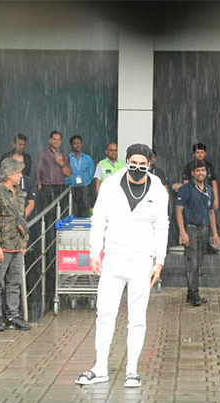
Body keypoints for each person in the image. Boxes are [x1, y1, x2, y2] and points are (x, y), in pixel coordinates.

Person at [75, 143, 168, 389]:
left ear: (150, 164)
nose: (137, 169)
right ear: (126, 162)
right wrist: (95, 252)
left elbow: (162, 226)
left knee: (137, 318)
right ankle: (100, 366)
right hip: (113, 257)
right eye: (133, 164)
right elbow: (98, 220)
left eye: (143, 165)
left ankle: (132, 370)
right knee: (105, 314)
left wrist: (160, 261)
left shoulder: (158, 191)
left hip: (141, 260)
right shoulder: (110, 185)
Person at [0, 158, 32, 332]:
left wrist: (24, 242)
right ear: (9, 174)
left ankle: (13, 315)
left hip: (17, 245)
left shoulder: (19, 192)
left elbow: (21, 218)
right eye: (18, 173)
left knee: (14, 282)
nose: (21, 176)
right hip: (2, 245)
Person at [176, 160, 219, 306]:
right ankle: (193, 294)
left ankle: (191, 293)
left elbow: (211, 212)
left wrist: (215, 233)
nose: (201, 173)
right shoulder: (186, 189)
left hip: (205, 229)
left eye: (203, 170)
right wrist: (183, 232)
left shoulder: (209, 190)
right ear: (193, 173)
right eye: (198, 171)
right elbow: (179, 211)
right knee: (191, 263)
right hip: (191, 229)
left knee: (199, 262)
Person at [35, 131, 72, 211]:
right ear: (50, 140)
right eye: (54, 139)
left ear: (61, 141)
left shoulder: (65, 155)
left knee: (60, 212)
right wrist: (39, 185)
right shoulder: (43, 154)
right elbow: (38, 171)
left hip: (61, 186)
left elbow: (68, 173)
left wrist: (61, 163)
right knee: (46, 212)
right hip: (47, 187)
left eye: (59, 140)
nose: (56, 142)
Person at [182, 143, 219, 210]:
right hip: (193, 197)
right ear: (194, 154)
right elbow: (186, 183)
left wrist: (216, 198)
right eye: (198, 152)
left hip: (208, 196)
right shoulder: (189, 167)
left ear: (205, 153)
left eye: (202, 152)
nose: (200, 154)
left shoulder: (210, 167)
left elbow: (213, 182)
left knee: (209, 216)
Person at [66, 135, 95, 217]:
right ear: (71, 145)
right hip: (71, 188)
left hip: (85, 188)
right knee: (71, 209)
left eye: (79, 143)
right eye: (75, 143)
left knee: (85, 209)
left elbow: (91, 174)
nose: (77, 145)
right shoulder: (67, 158)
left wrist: (85, 182)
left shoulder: (88, 158)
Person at [2, 152, 36, 218]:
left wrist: (21, 219)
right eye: (16, 162)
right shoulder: (2, 182)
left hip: (24, 219)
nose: (19, 165)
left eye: (21, 162)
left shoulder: (28, 181)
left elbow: (31, 203)